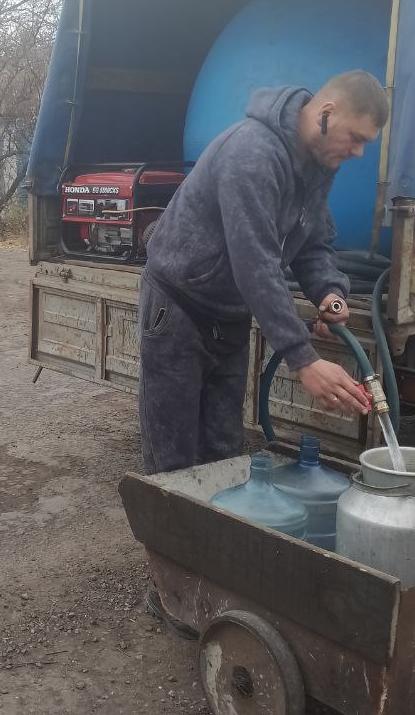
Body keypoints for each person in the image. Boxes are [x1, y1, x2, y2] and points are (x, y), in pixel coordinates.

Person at [139, 71, 390, 476]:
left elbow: (314, 240)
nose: (359, 153)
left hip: (229, 315)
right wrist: (303, 359)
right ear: (326, 114)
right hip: (179, 307)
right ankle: (162, 541)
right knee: (173, 456)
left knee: (224, 451)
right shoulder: (252, 153)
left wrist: (328, 291)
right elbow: (254, 262)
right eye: (357, 138)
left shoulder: (317, 162)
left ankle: (213, 539)